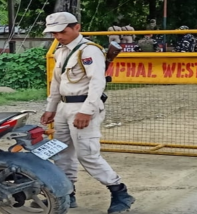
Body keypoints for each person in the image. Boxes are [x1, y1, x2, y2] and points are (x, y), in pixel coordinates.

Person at [38, 11, 135, 214]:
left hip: (82, 107)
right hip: (65, 107)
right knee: (62, 153)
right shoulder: (60, 51)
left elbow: (97, 83)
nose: (57, 36)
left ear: (77, 28)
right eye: (54, 33)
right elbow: (57, 83)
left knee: (87, 154)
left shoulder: (89, 51)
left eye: (62, 32)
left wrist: (87, 111)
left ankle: (119, 192)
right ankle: (66, 192)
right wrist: (51, 109)